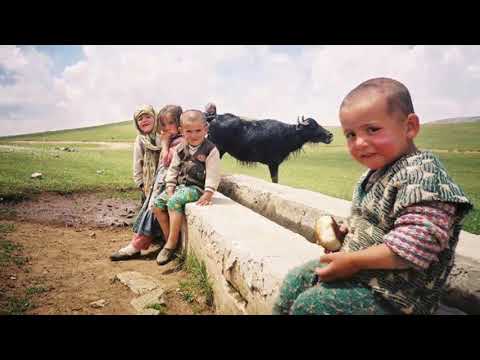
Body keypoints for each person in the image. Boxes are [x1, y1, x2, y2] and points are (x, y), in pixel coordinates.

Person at [273, 77, 473, 315]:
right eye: (350, 135)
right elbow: (373, 220)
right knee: (296, 280)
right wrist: (346, 232)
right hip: (364, 276)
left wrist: (354, 261)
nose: (360, 143)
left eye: (372, 130)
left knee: (313, 307)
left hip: (397, 297)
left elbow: (416, 244)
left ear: (410, 127)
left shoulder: (423, 176)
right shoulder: (375, 173)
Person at [110, 105, 183, 261]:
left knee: (152, 207)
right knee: (149, 207)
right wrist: (142, 185)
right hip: (152, 183)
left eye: (148, 116)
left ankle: (140, 244)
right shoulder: (143, 139)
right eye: (140, 118)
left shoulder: (166, 137)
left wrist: (165, 141)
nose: (144, 120)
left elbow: (167, 159)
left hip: (167, 181)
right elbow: (138, 164)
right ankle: (145, 242)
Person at [153, 109, 221, 265]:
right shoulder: (180, 148)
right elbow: (173, 169)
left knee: (174, 202)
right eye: (189, 131)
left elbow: (213, 173)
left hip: (197, 189)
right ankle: (170, 239)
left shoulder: (210, 150)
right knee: (157, 205)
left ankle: (170, 246)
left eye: (198, 130)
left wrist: (208, 192)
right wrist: (170, 186)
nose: (194, 134)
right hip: (180, 187)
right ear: (181, 131)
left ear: (206, 129)